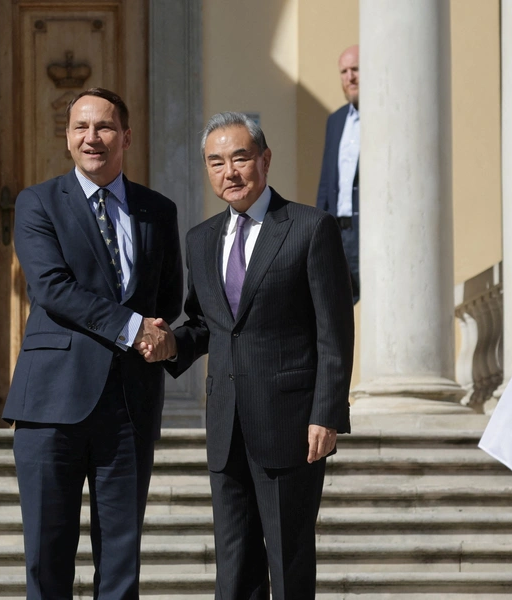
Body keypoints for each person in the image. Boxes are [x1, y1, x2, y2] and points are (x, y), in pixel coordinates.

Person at [144, 112, 354, 599]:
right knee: (234, 565)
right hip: (225, 425)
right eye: (216, 162)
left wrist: (326, 413)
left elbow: (334, 332)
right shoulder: (201, 239)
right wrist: (172, 343)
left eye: (240, 158)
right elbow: (207, 324)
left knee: (288, 560)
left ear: (265, 159)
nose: (229, 172)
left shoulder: (310, 228)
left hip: (291, 425)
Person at [3, 87, 183, 600]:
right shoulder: (38, 202)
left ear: (126, 136)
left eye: (104, 126)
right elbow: (51, 288)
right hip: (51, 405)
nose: (92, 137)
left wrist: (161, 337)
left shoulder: (158, 210)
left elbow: (167, 298)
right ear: (67, 138)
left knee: (122, 567)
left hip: (129, 406)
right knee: (48, 561)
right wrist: (133, 329)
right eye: (80, 127)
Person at [316, 44, 360, 304]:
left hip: (368, 231)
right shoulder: (336, 120)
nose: (349, 77)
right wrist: (319, 229)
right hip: (337, 231)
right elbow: (326, 182)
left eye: (356, 69)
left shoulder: (384, 117)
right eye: (344, 71)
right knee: (335, 303)